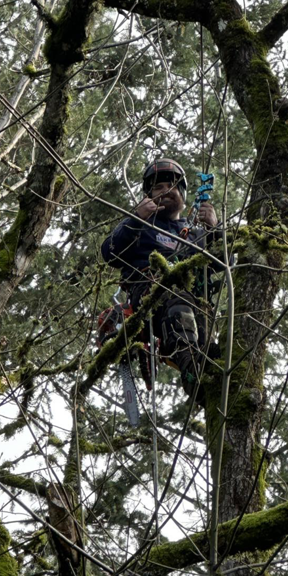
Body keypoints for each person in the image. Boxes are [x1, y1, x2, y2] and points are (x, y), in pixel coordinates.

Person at [101, 159, 218, 399]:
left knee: (206, 330)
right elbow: (109, 253)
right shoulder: (140, 225)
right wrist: (136, 218)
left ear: (182, 196)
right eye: (158, 188)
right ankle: (191, 370)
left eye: (171, 186)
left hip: (193, 303)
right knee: (176, 295)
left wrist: (214, 231)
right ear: (148, 195)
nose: (165, 191)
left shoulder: (195, 233)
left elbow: (224, 267)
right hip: (150, 290)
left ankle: (207, 375)